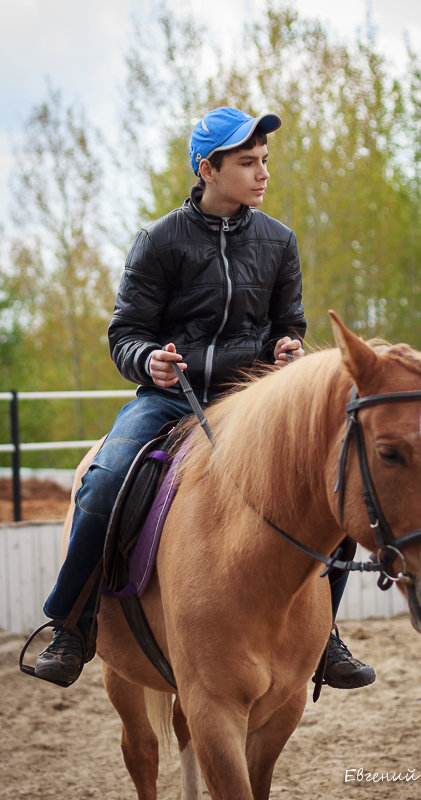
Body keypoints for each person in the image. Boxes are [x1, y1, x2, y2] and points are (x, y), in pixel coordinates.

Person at [34, 106, 376, 691]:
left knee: (335, 480)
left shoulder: (279, 242)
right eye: (248, 162)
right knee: (107, 474)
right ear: (208, 169)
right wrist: (149, 361)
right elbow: (125, 335)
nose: (262, 173)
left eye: (264, 161)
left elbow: (285, 324)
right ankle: (71, 622)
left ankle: (326, 634)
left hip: (252, 401)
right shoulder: (159, 241)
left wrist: (287, 351)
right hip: (173, 398)